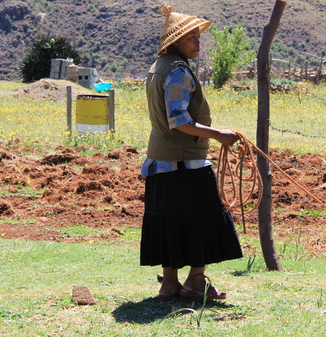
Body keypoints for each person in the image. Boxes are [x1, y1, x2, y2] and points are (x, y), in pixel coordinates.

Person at [139, 3, 243, 300]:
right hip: (185, 162)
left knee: (169, 220)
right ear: (175, 42)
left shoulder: (157, 67)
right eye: (192, 38)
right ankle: (197, 282)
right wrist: (219, 135)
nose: (198, 42)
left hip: (161, 161)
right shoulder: (179, 72)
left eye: (198, 37)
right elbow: (179, 119)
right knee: (202, 218)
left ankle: (170, 284)